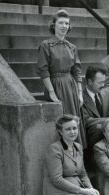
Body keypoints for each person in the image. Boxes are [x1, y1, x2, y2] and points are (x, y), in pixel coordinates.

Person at [37, 10, 86, 147]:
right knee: (60, 121)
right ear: (54, 25)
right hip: (55, 85)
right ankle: (61, 154)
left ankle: (76, 155)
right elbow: (43, 69)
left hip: (71, 87)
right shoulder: (46, 45)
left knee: (73, 121)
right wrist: (52, 92)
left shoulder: (72, 47)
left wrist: (80, 93)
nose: (64, 26)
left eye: (66, 23)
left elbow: (77, 71)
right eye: (61, 23)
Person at [82, 65, 109, 149]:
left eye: (104, 82)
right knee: (100, 129)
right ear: (89, 81)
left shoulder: (105, 93)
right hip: (93, 130)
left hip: (106, 127)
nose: (103, 85)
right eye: (100, 83)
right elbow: (86, 120)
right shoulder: (81, 98)